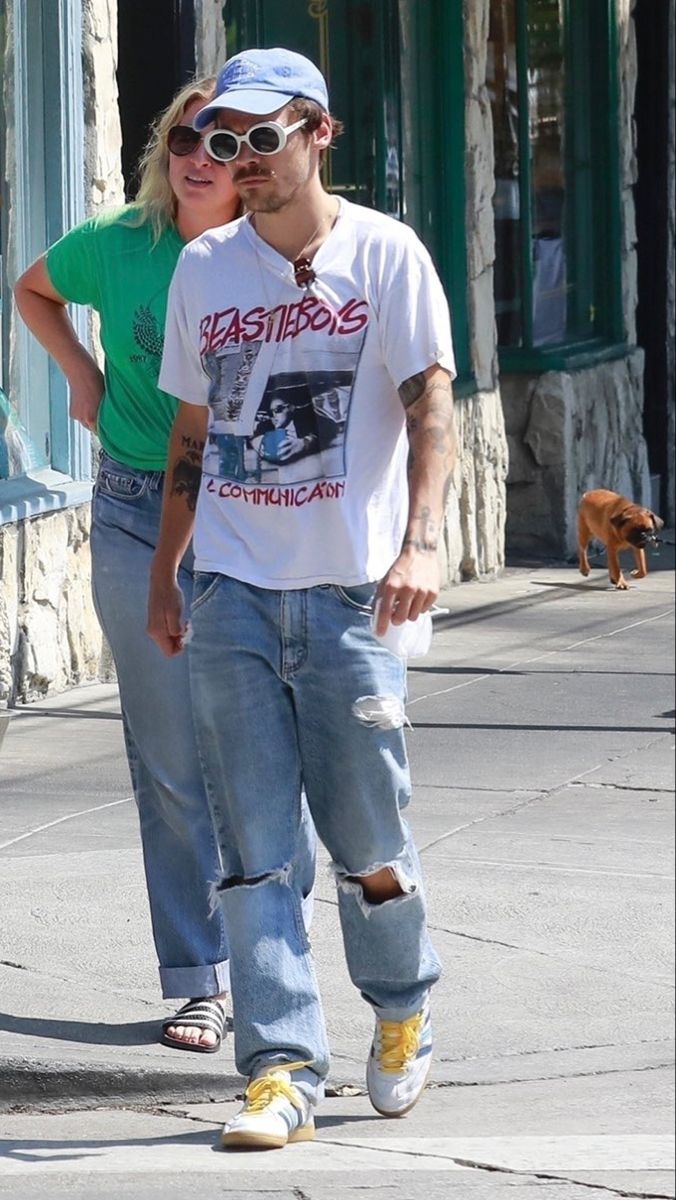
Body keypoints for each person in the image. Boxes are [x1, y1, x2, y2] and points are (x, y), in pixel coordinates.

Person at [148, 47, 456, 1148]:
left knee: (368, 837)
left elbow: (430, 403)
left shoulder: (387, 254)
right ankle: (280, 1071)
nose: (238, 162)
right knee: (251, 850)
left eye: (258, 140)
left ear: (318, 132)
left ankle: (402, 1006)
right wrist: (168, 573)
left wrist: (420, 544)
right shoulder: (204, 270)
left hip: (349, 596)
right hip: (232, 587)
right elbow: (192, 432)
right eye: (220, 142)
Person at [13, 76, 316, 1054]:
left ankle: (277, 957)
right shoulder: (119, 245)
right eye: (187, 136)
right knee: (169, 762)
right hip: (138, 509)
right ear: (166, 148)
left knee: (254, 752)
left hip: (251, 518)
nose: (200, 156)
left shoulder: (272, 253)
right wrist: (84, 377)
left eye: (224, 143)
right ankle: (200, 980)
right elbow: (32, 287)